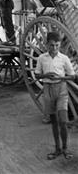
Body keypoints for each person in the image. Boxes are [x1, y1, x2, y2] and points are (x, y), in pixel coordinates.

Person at [35, 32, 76, 160]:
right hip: (47, 89)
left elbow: (73, 76)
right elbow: (36, 75)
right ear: (47, 44)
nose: (54, 48)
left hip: (61, 88)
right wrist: (46, 76)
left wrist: (61, 77)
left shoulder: (64, 58)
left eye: (57, 45)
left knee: (63, 121)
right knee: (54, 122)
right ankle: (57, 149)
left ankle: (65, 148)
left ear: (59, 45)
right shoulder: (42, 58)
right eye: (52, 45)